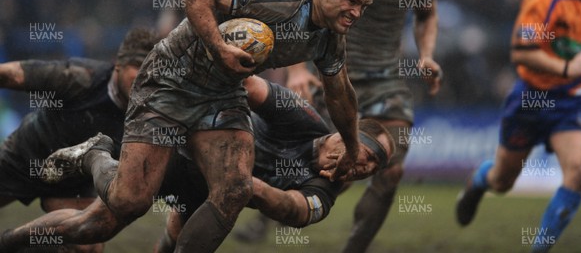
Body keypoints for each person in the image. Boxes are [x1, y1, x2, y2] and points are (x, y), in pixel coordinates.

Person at [1, 0, 378, 253]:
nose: (358, 14)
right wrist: (219, 48)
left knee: (235, 188)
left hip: (221, 95)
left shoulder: (330, 36)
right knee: (128, 204)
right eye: (352, 1)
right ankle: (96, 154)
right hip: (170, 81)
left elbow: (340, 91)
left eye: (364, 6)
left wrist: (349, 145)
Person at [0, 76, 393, 252]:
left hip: (212, 196)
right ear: (349, 136)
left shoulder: (326, 188)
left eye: (372, 170)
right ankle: (95, 154)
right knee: (96, 223)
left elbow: (296, 212)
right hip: (184, 153)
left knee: (172, 245)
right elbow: (252, 85)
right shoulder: (304, 119)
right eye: (368, 157)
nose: (364, 170)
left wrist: (247, 187)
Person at [284, 0, 441, 251]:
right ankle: (267, 209)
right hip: (337, 72)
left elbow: (426, 13)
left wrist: (427, 54)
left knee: (392, 168)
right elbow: (300, 0)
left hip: (389, 77)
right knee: (318, 164)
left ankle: (354, 248)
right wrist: (297, 69)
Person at [456, 0, 581, 252]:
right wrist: (565, 67)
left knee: (578, 171)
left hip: (571, 104)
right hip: (532, 98)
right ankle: (479, 181)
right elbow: (521, 51)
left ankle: (539, 249)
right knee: (503, 181)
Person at [0, 27, 159, 252]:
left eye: (150, 72)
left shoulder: (150, 114)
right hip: (26, 158)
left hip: (73, 185)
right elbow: (12, 74)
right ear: (118, 63)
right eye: (137, 67)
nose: (143, 78)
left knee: (89, 245)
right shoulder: (83, 78)